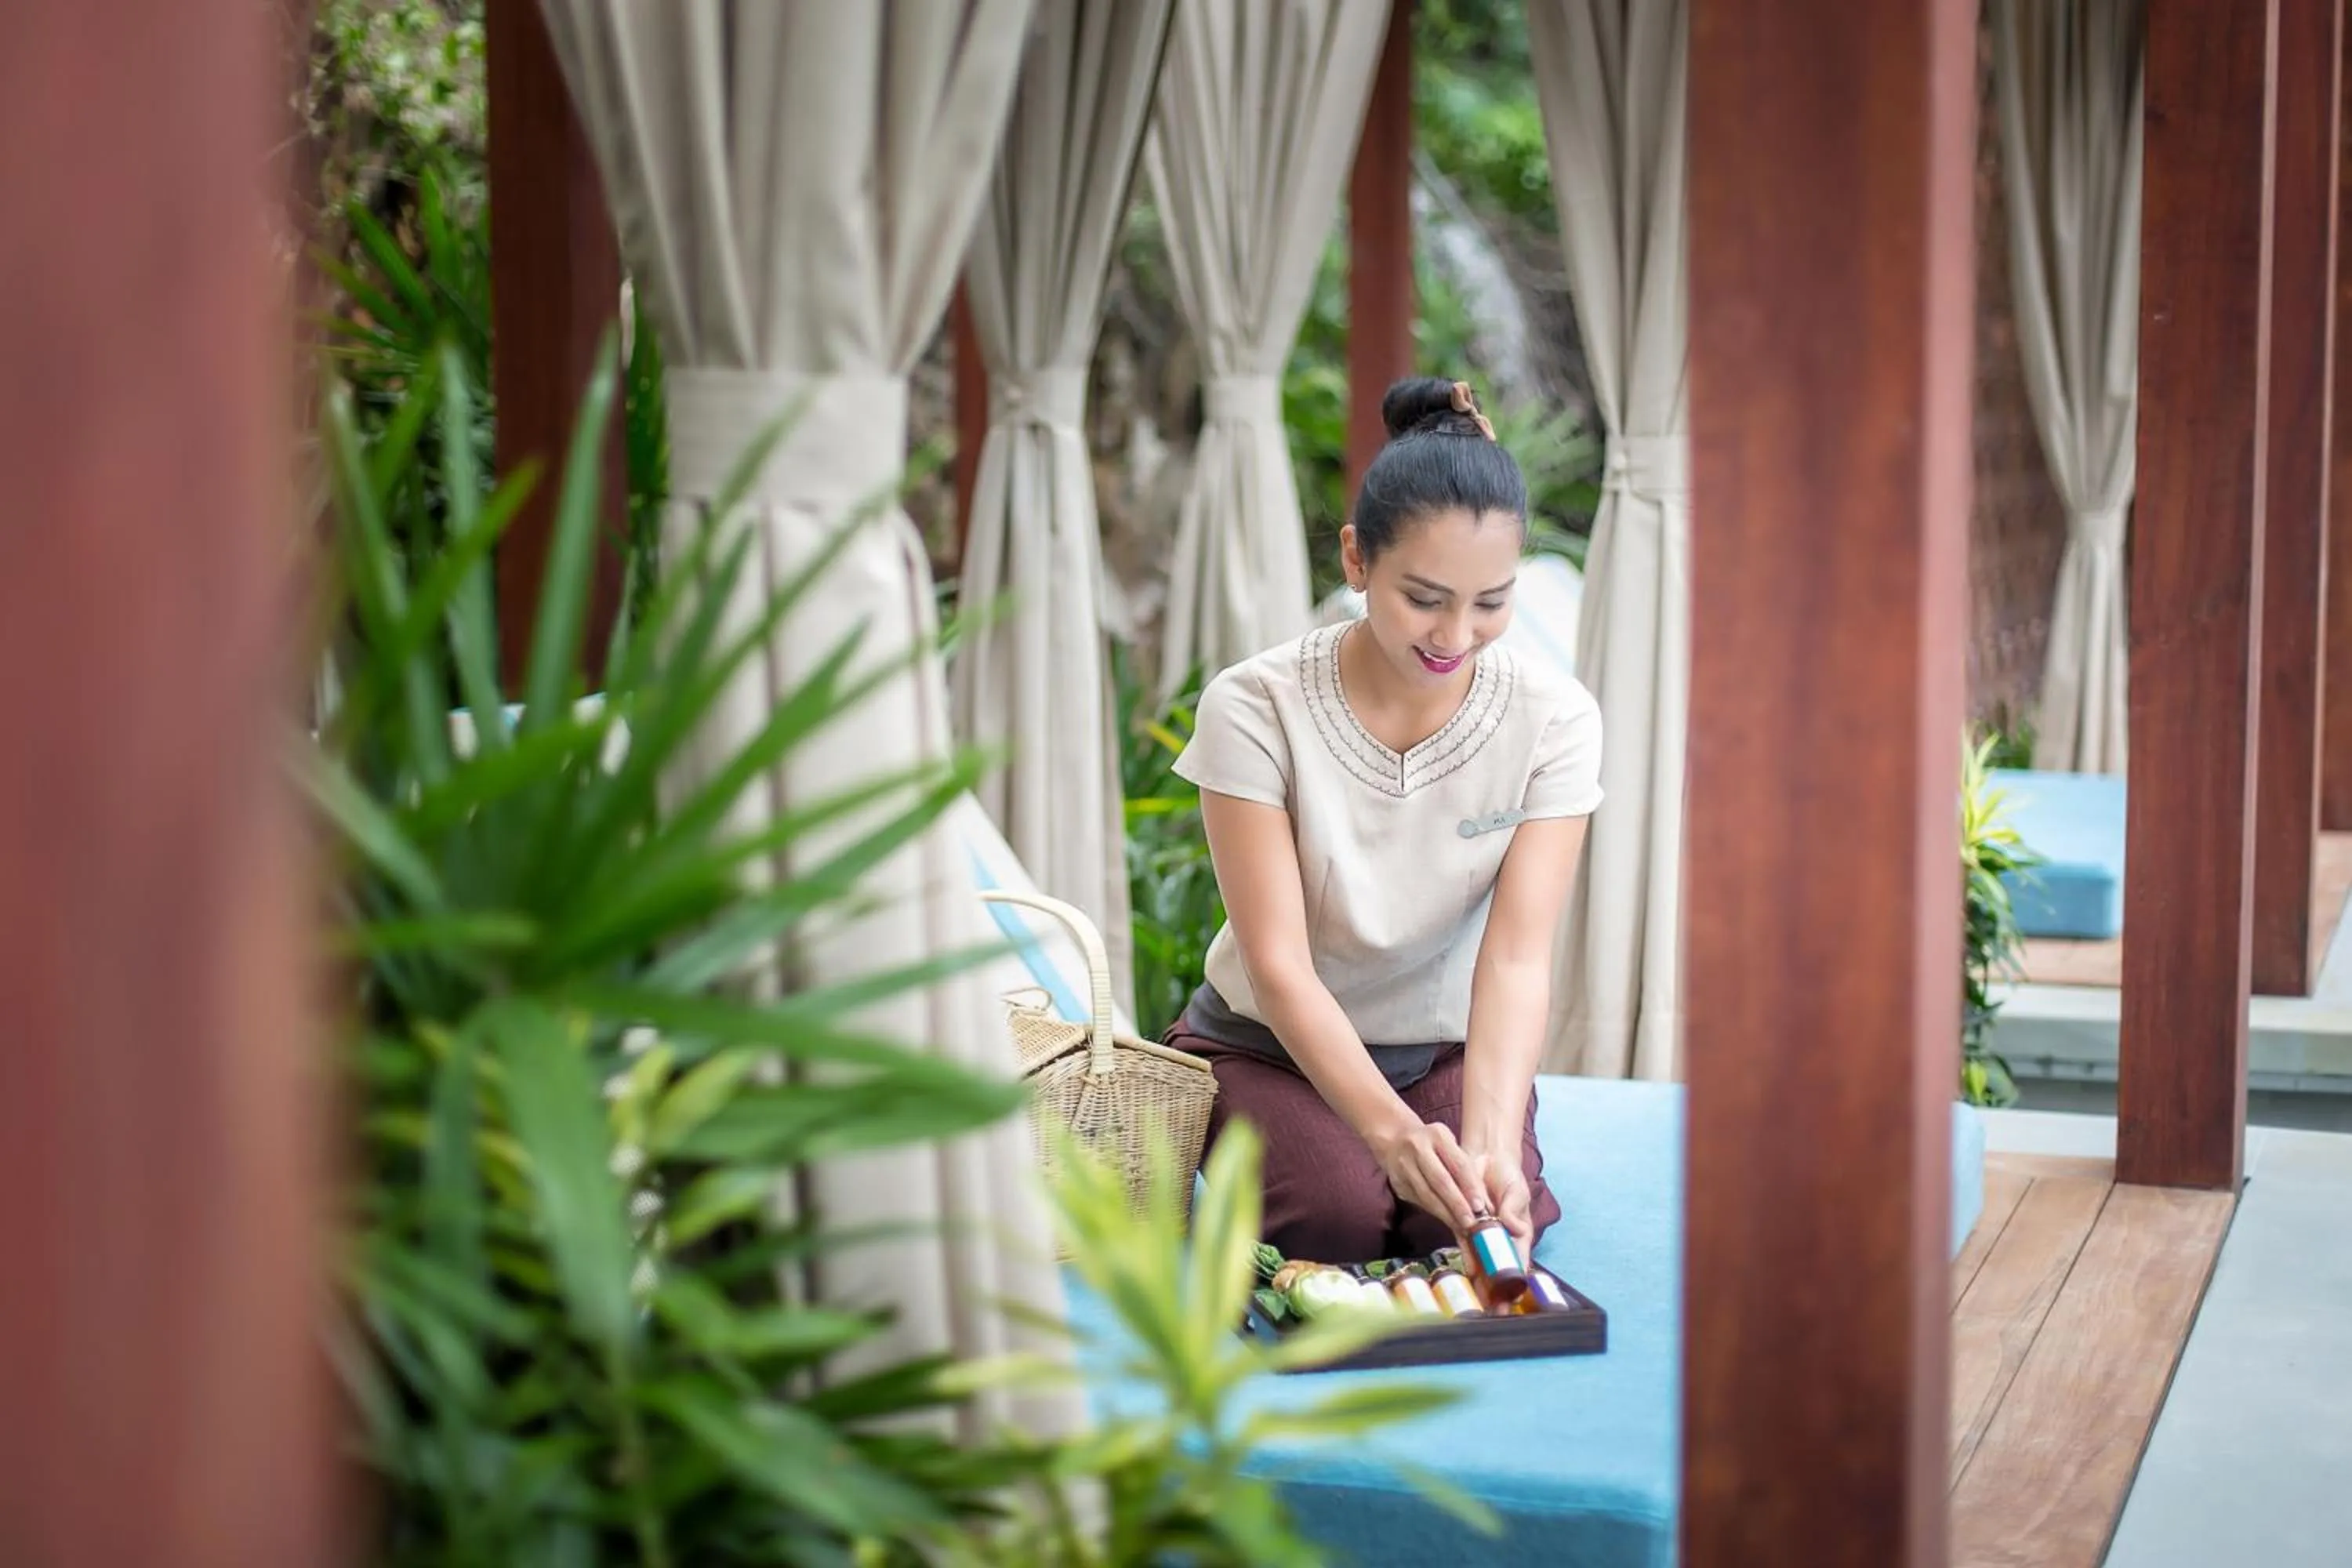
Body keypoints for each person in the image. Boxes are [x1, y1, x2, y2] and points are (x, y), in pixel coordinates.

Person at [1165, 376, 1603, 1265]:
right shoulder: (1255, 706)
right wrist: (1392, 1138)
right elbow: (1279, 967)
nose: (1456, 634)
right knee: (1337, 1221)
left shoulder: (1555, 719)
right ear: (1357, 559)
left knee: (1477, 1225)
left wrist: (1486, 1140)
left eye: (1492, 603)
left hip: (1440, 1051)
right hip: (1268, 1045)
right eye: (1426, 597)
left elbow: (1517, 959)